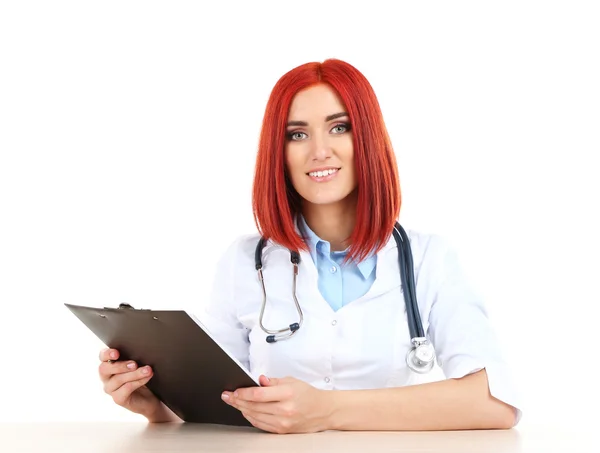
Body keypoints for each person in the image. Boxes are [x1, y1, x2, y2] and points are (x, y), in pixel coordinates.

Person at [97, 58, 522, 434]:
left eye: (340, 127)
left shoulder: (430, 259)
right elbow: (217, 403)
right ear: (277, 153)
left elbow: (495, 402)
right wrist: (158, 407)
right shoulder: (244, 263)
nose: (319, 151)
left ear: (368, 139)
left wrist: (328, 411)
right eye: (297, 135)